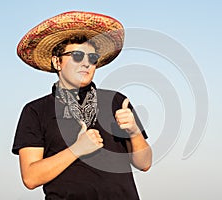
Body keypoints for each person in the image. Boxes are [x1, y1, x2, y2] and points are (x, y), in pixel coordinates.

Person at [12, 11, 152, 200]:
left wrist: (134, 132)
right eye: (77, 55)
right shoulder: (36, 111)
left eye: (92, 58)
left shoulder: (117, 102)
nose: (86, 63)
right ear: (57, 62)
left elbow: (144, 163)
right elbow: (31, 177)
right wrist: (77, 149)